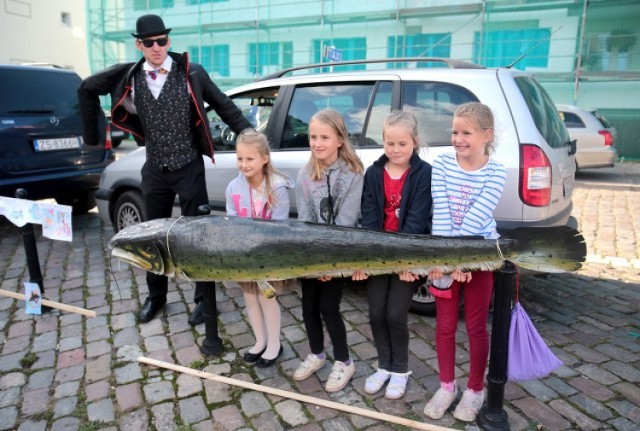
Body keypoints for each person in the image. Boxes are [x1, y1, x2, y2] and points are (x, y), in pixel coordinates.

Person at [77, 14, 253, 329]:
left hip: (188, 167)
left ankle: (204, 300)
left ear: (169, 41)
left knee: (199, 237)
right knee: (152, 236)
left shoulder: (192, 73)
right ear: (139, 45)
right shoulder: (130, 77)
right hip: (154, 168)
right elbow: (87, 88)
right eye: (149, 42)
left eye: (162, 40)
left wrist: (251, 137)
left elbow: (224, 105)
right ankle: (156, 296)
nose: (157, 47)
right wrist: (92, 140)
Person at [423, 102, 507, 422]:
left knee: (475, 327)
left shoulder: (496, 172)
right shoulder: (443, 164)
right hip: (446, 254)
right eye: (455, 131)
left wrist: (465, 261)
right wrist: (446, 261)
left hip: (480, 258)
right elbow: (441, 212)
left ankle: (475, 390)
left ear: (486, 135)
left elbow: (477, 217)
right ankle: (447, 386)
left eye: (466, 132)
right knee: (444, 326)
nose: (458, 138)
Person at [354, 110, 432, 399]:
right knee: (375, 313)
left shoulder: (423, 174)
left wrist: (408, 263)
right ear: (383, 142)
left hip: (407, 258)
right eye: (390, 143)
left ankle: (400, 370)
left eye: (402, 143)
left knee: (395, 314)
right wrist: (364, 261)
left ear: (414, 142)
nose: (396, 150)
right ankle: (383, 366)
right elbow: (370, 218)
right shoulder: (374, 173)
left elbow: (417, 220)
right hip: (377, 257)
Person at [293, 109, 364, 392]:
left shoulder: (354, 174)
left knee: (328, 308)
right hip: (311, 257)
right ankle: (317, 353)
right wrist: (313, 263)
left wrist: (328, 265)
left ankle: (344, 360)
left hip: (337, 255)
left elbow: (346, 223)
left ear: (339, 140)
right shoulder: (305, 173)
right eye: (313, 137)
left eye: (324, 137)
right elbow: (305, 222)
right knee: (308, 307)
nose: (317, 143)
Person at [225, 129, 295, 367]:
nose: (244, 164)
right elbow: (232, 222)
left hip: (267, 259)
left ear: (264, 158)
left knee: (267, 297)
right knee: (249, 298)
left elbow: (280, 226)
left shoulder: (276, 187)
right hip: (246, 259)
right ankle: (260, 340)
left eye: (250, 159)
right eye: (240, 158)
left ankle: (274, 343)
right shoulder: (233, 188)